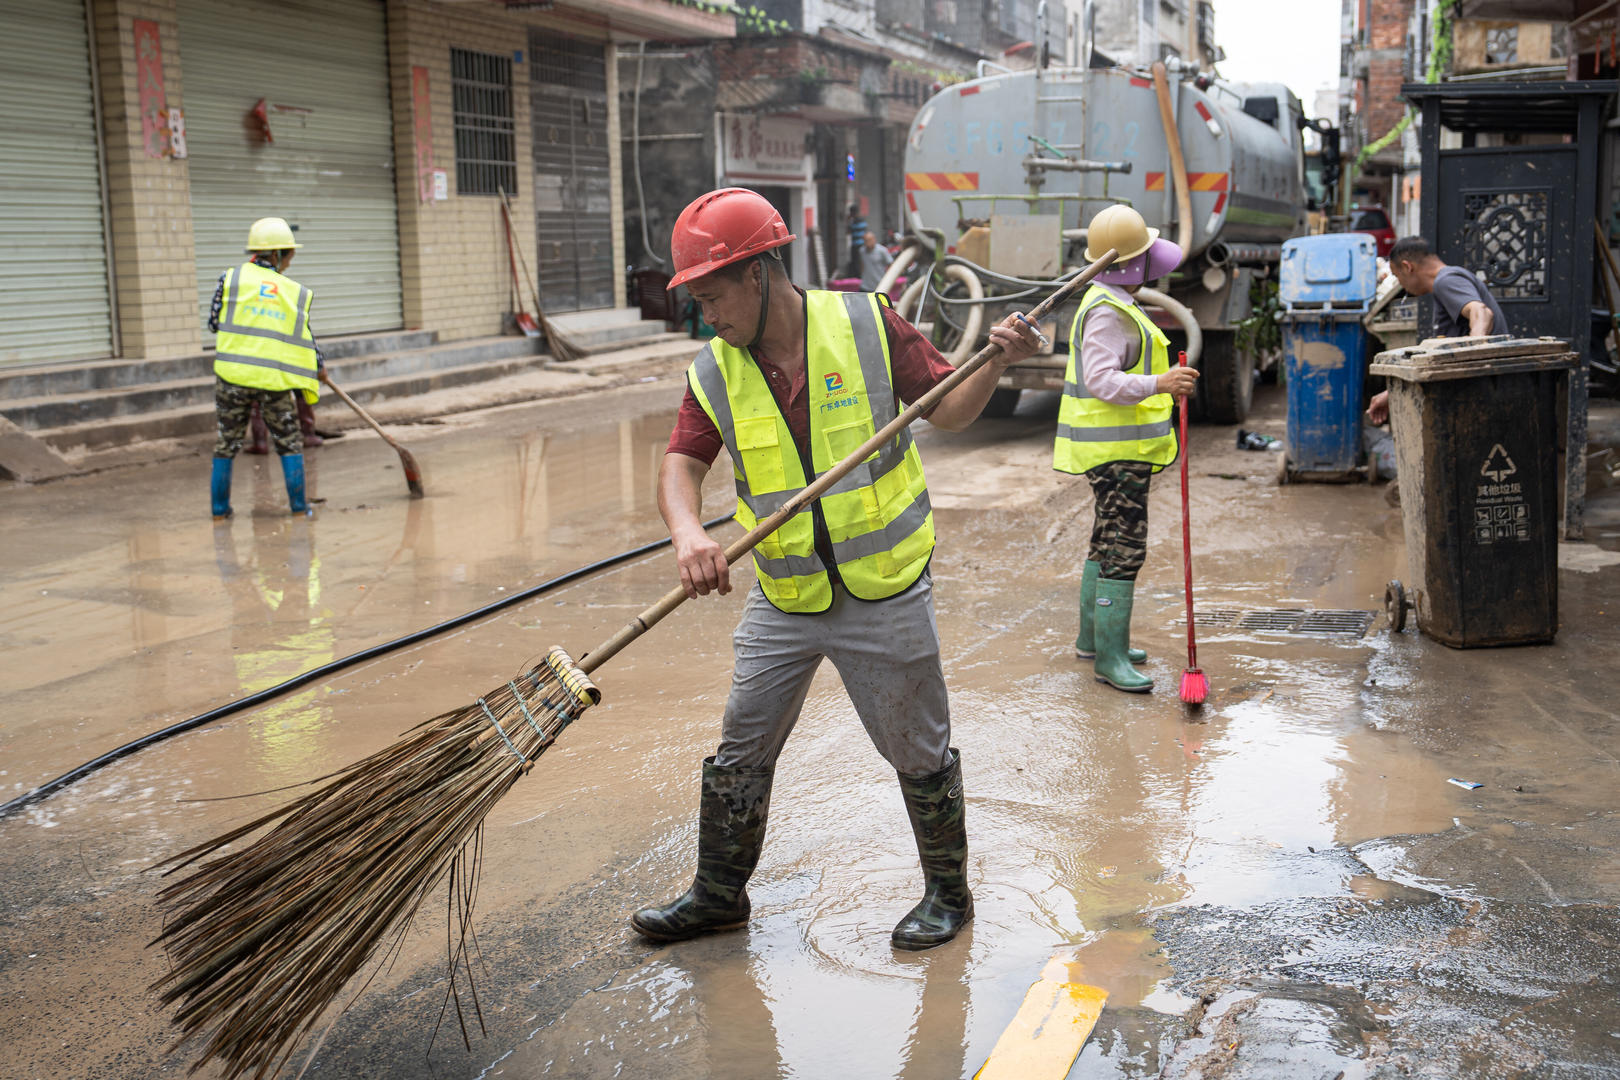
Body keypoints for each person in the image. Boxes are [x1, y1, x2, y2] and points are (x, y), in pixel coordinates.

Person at [635, 187, 1040, 951]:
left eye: (713, 295)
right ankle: (718, 895)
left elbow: (948, 410)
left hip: (882, 588)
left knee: (917, 746)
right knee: (741, 742)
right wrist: (688, 532)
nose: (706, 314)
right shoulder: (716, 367)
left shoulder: (864, 323)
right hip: (784, 593)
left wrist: (995, 363)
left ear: (757, 274)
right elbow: (681, 464)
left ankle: (949, 896)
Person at [1055, 205, 1198, 693]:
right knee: (1124, 548)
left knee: (1105, 539)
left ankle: (1093, 639)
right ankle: (1110, 659)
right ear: (1132, 266)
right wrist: (1162, 382)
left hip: (1116, 453)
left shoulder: (1110, 301)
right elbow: (1100, 380)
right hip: (1115, 456)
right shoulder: (1106, 311)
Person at [207, 216, 326, 519]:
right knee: (288, 440)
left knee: (226, 442)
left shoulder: (229, 279)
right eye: (289, 254)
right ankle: (300, 507)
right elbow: (306, 339)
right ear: (275, 254)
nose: (290, 261)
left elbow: (213, 324)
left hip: (231, 376)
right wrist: (319, 367)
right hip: (273, 379)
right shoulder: (292, 292)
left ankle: (219, 509)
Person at [1367, 235, 1509, 424]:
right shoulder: (1447, 280)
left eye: (1398, 276)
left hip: (1483, 392)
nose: (1401, 284)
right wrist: (1391, 393)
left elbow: (1481, 312)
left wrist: (1475, 351)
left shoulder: (1446, 280)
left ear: (1408, 267)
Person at [859, 228, 895, 292]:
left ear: (874, 240)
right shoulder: (862, 251)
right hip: (865, 286)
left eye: (869, 240)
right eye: (866, 240)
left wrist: (887, 279)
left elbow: (891, 265)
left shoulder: (882, 251)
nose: (868, 243)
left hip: (879, 285)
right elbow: (862, 264)